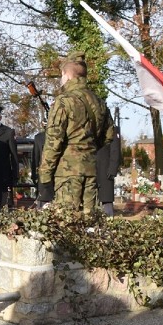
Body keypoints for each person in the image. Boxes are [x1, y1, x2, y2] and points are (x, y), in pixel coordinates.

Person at [37, 52, 114, 213]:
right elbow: (108, 137)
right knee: (89, 223)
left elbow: (53, 142)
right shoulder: (99, 102)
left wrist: (44, 175)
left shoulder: (63, 102)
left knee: (67, 223)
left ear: (66, 75)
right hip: (91, 171)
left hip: (67, 174)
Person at [96, 125, 122, 216]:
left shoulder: (111, 129)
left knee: (106, 200)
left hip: (105, 170)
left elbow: (115, 149)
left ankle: (108, 221)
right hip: (91, 168)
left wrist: (113, 168)